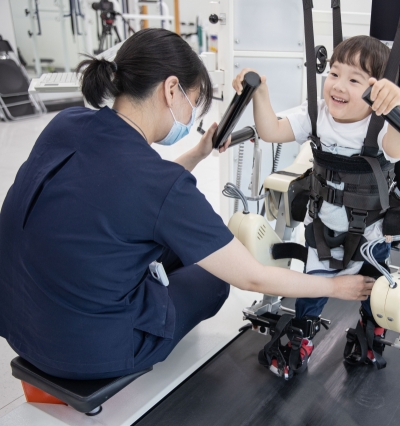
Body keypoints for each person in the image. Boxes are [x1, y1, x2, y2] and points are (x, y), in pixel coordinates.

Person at [0, 28, 374, 381]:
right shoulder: (163, 186)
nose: (192, 117)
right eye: (195, 103)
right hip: (87, 351)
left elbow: (123, 188)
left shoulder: (67, 123)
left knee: (168, 243)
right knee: (214, 277)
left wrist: (198, 152)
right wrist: (337, 287)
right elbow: (250, 276)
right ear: (171, 90)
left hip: (18, 320)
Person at [232, 35, 400, 374]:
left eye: (354, 80)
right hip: (323, 229)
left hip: (371, 236)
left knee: (373, 292)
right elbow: (271, 130)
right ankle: (303, 333)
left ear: (379, 90)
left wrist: (398, 103)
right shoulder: (316, 113)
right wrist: (260, 94)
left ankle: (369, 333)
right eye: (334, 73)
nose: (338, 86)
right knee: (311, 289)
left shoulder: (382, 125)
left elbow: (399, 150)